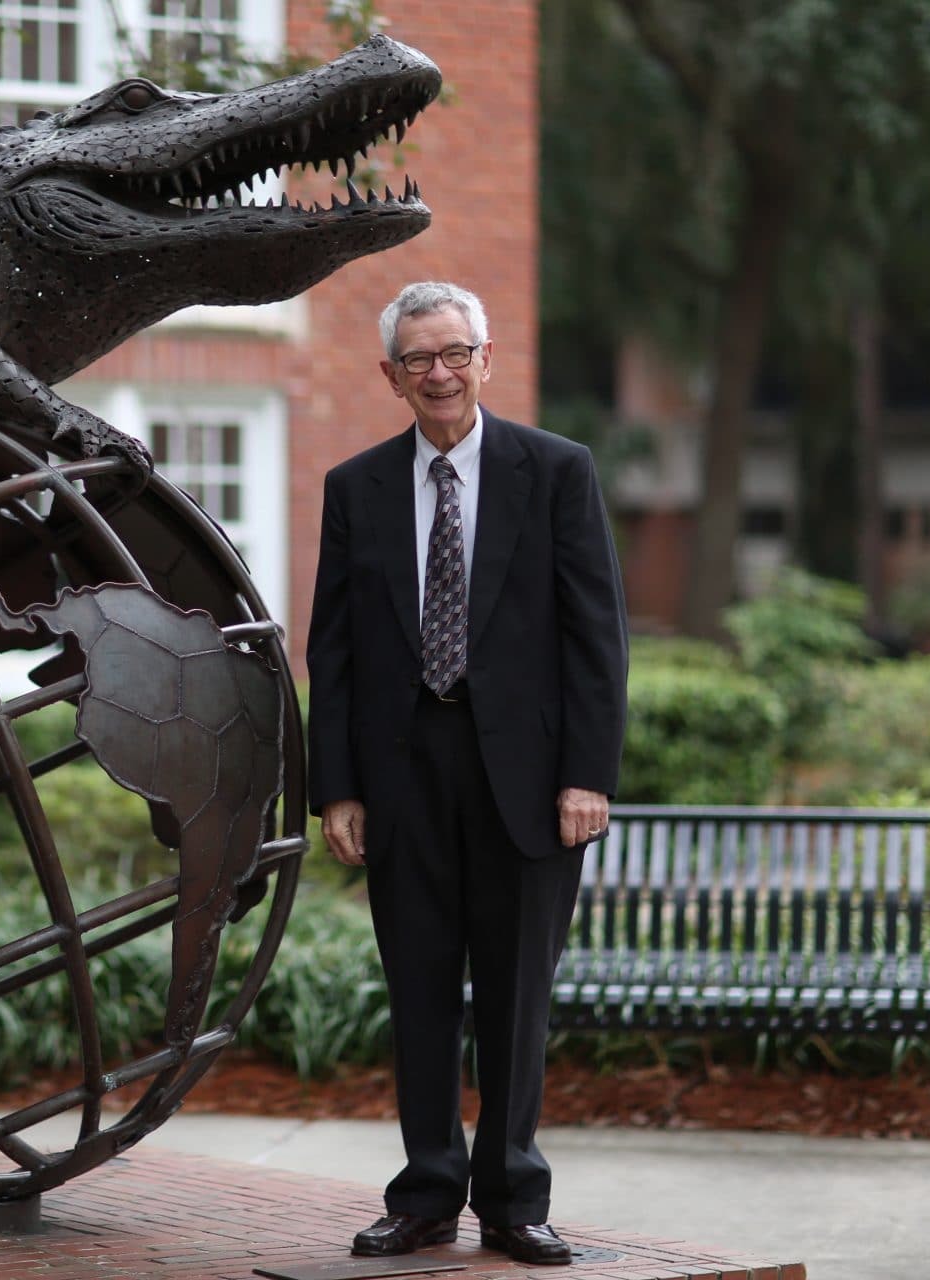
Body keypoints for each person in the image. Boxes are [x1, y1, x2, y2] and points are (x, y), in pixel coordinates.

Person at [306, 281, 627, 1266]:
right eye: (417, 359)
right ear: (390, 376)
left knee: (515, 995)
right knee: (419, 993)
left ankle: (512, 1198)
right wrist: (337, 787)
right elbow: (334, 650)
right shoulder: (353, 487)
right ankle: (425, 1194)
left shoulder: (554, 471)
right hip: (403, 775)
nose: (437, 373)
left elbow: (593, 637)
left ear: (484, 357)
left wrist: (585, 773)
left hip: (528, 781)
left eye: (453, 352)